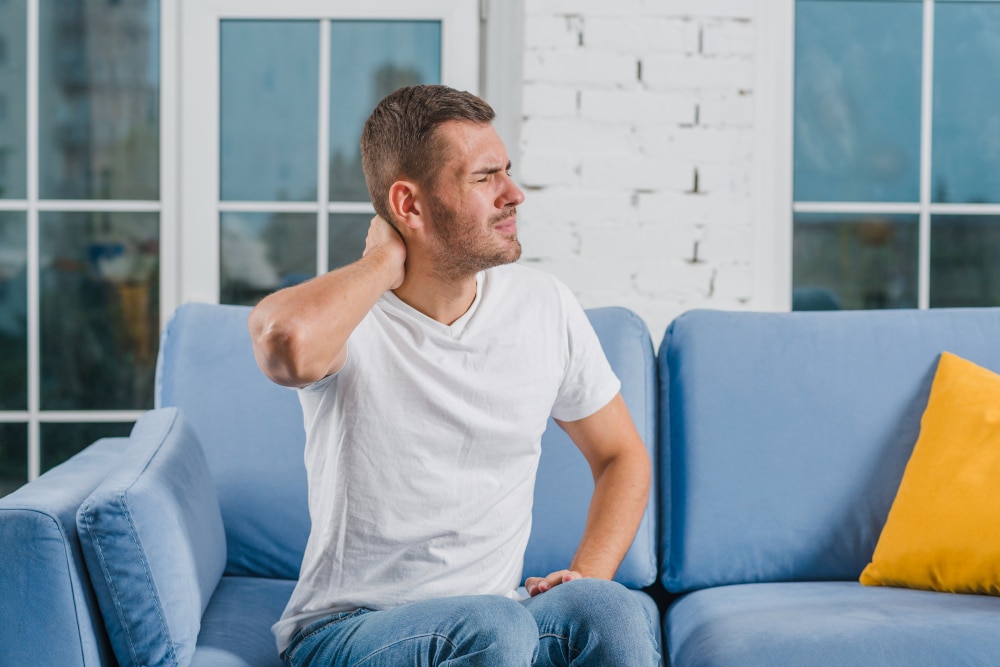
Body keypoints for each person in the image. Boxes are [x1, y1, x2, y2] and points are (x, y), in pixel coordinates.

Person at [249, 84, 658, 667]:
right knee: (490, 628)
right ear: (408, 205)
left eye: (507, 172)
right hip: (351, 631)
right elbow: (284, 343)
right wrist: (381, 262)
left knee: (608, 608)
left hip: (499, 623)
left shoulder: (544, 304)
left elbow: (622, 455)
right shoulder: (348, 320)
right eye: (484, 177)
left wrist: (585, 577)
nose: (513, 195)